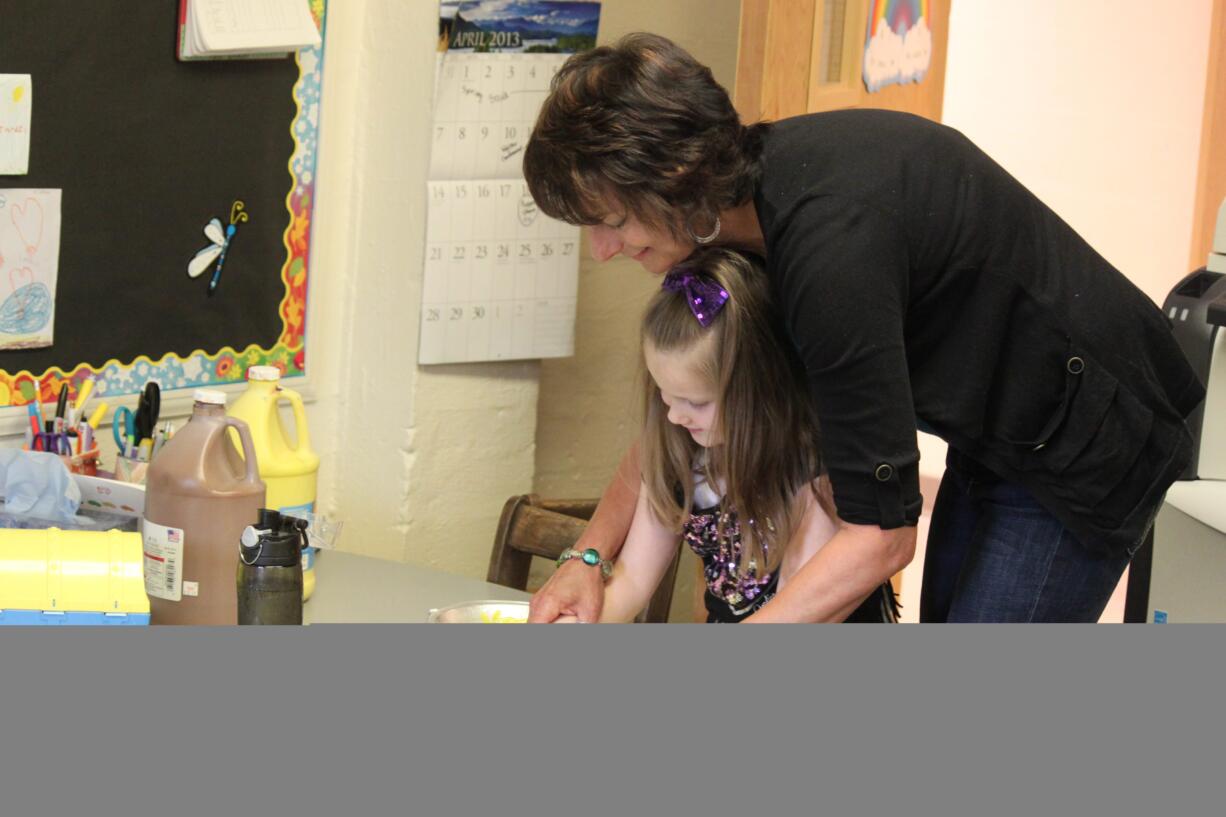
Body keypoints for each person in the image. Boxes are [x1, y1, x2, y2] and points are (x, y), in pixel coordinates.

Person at [524, 33, 1205, 622]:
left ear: (673, 177)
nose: (603, 251)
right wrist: (589, 556)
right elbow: (671, 420)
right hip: (997, 431)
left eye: (611, 223)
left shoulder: (830, 258)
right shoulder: (732, 219)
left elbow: (882, 536)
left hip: (1091, 435)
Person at [595, 247, 897, 622]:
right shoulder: (680, 452)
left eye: (696, 402)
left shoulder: (814, 476)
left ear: (758, 390)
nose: (674, 415)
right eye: (664, 394)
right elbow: (631, 583)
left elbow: (800, 615)